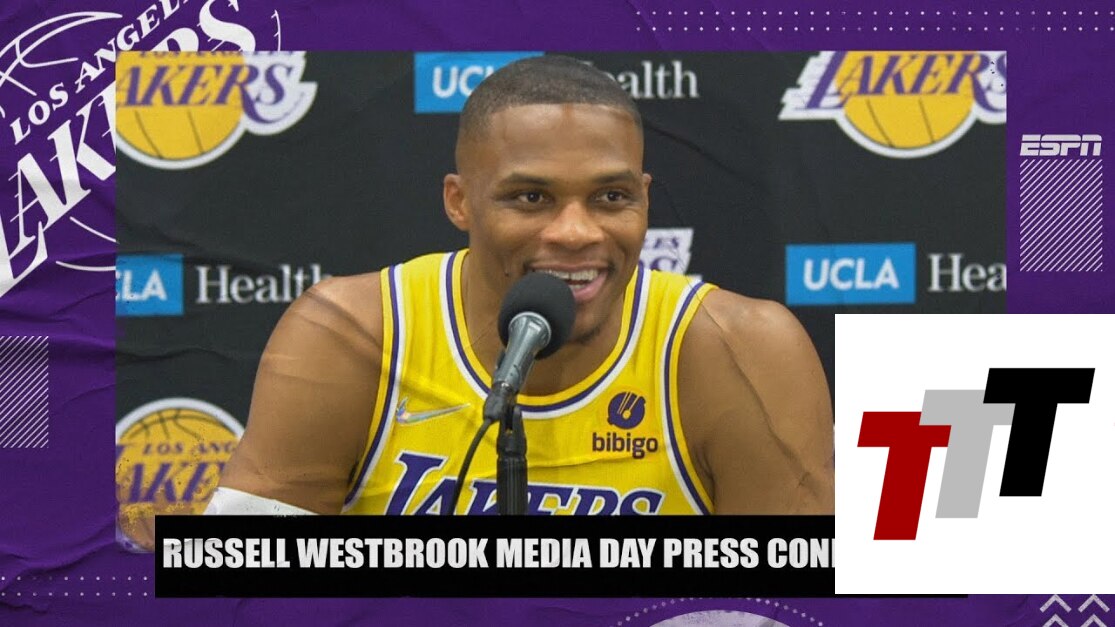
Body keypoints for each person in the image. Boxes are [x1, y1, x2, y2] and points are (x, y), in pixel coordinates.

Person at [207, 55, 833, 516]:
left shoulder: (741, 349)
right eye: (531, 198)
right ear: (459, 202)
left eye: (611, 197)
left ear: (644, 199)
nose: (575, 232)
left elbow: (790, 609)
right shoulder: (353, 335)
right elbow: (240, 596)